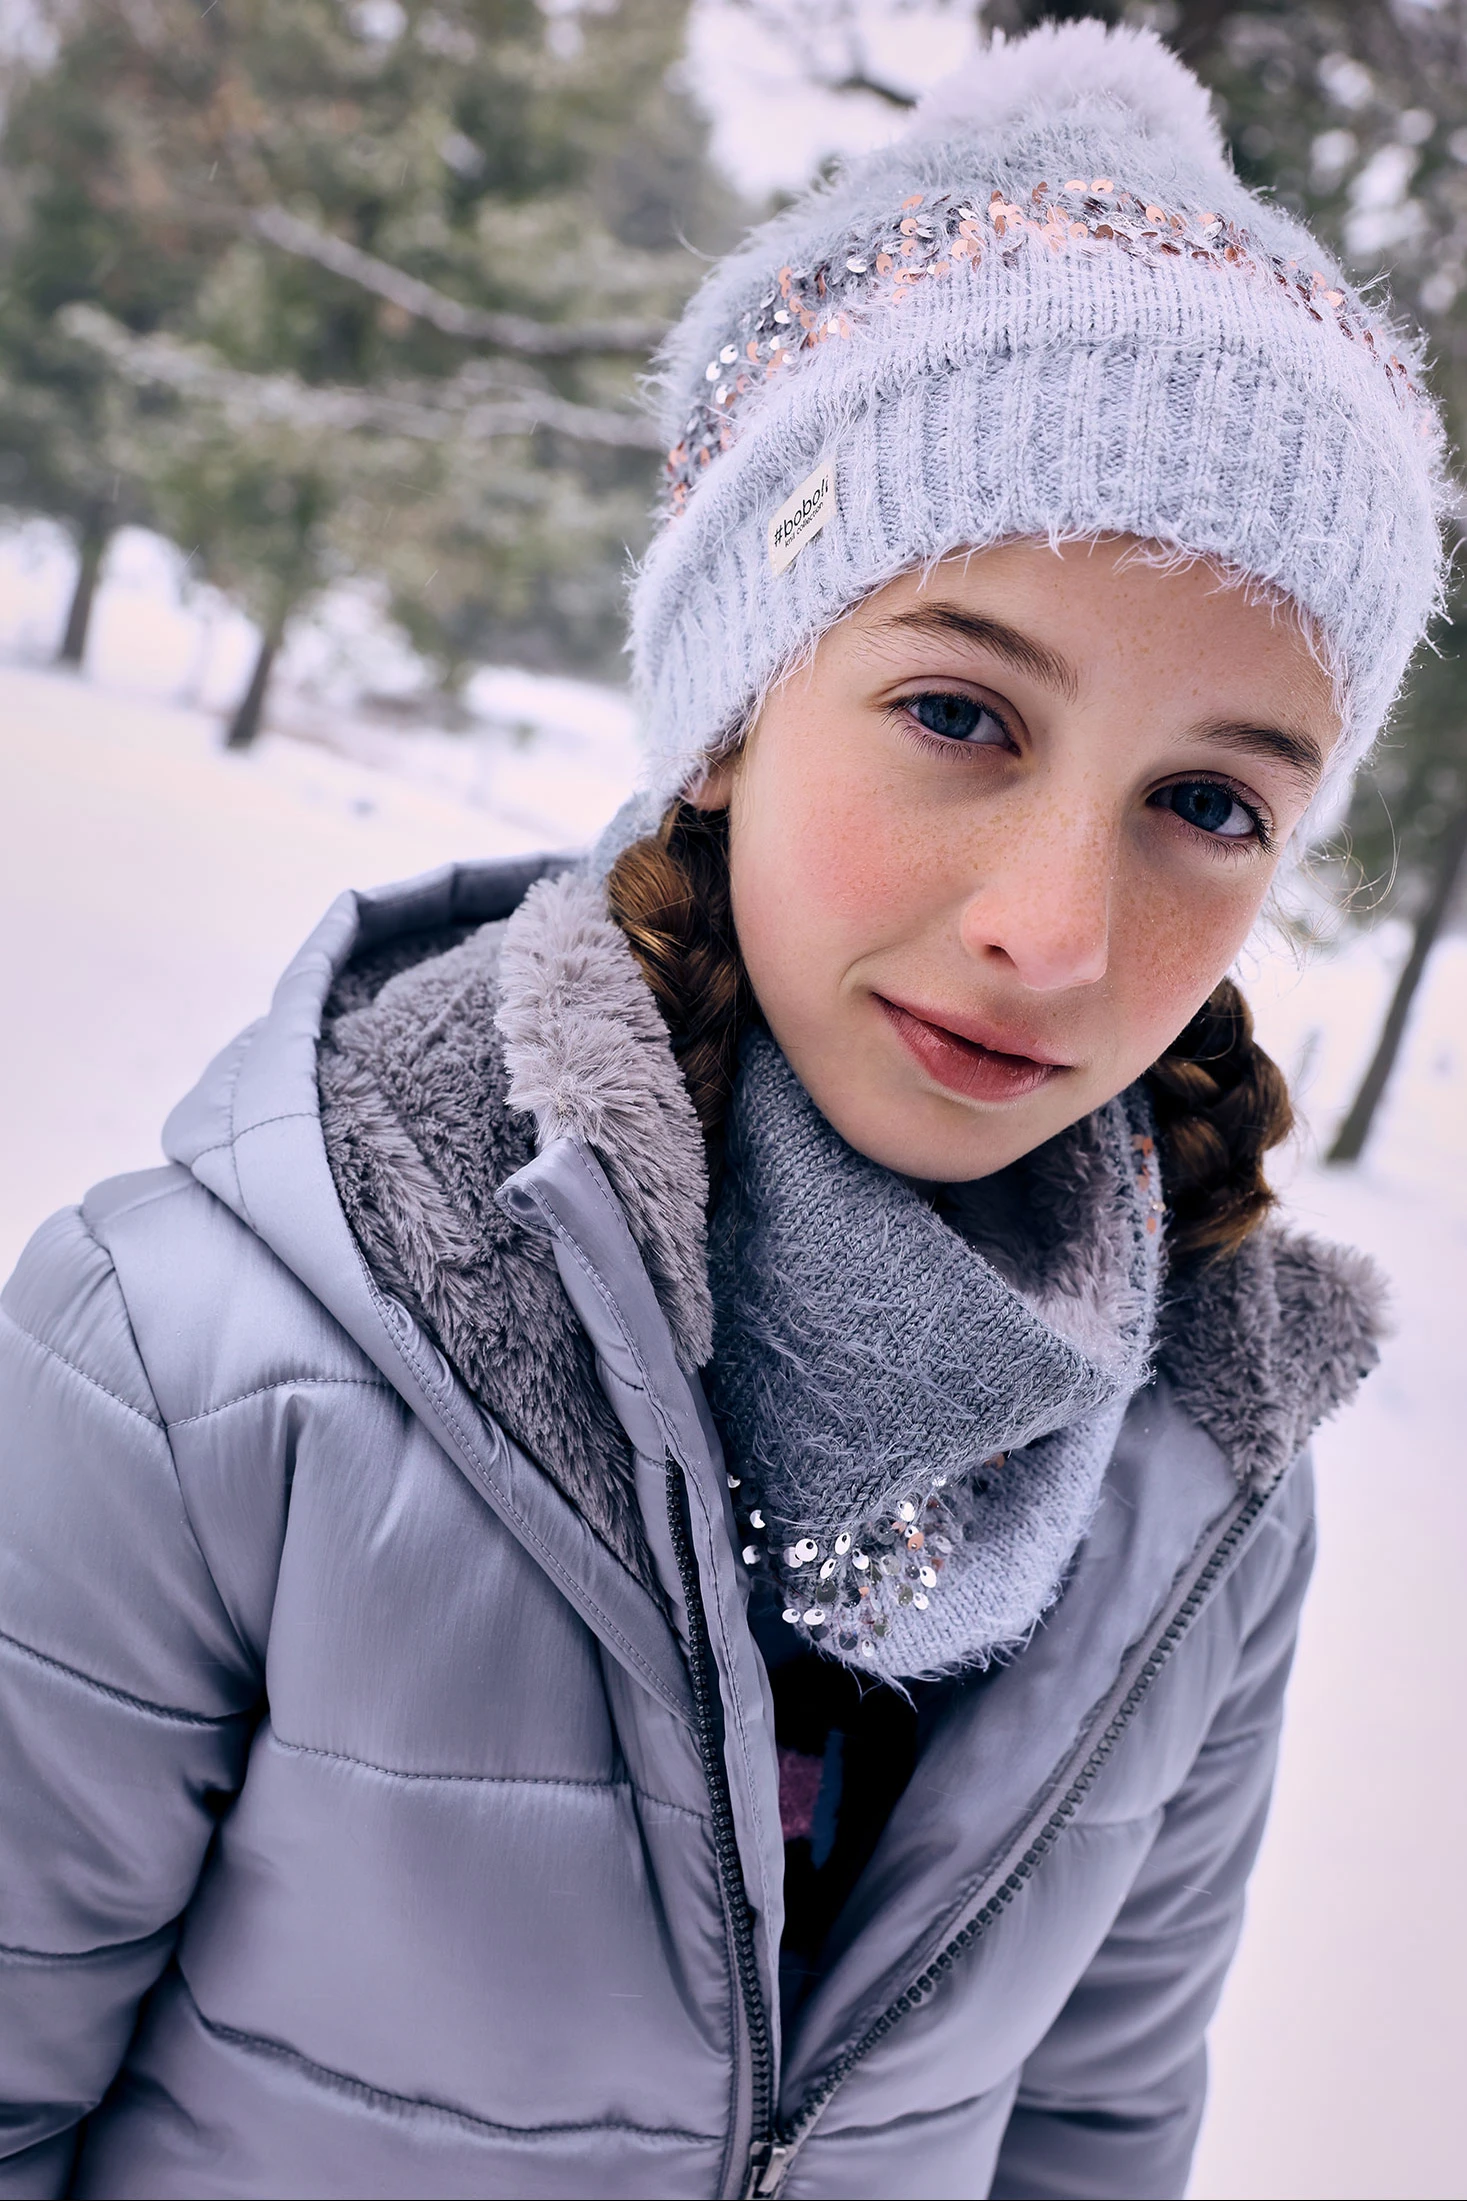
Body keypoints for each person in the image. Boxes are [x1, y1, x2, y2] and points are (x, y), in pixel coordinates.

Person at [0, 21, 1443, 2201]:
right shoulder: (200, 1373)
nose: (1053, 931)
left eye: (1210, 803)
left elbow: (1089, 2135)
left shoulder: (1205, 1480)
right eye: (958, 712)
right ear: (731, 710)